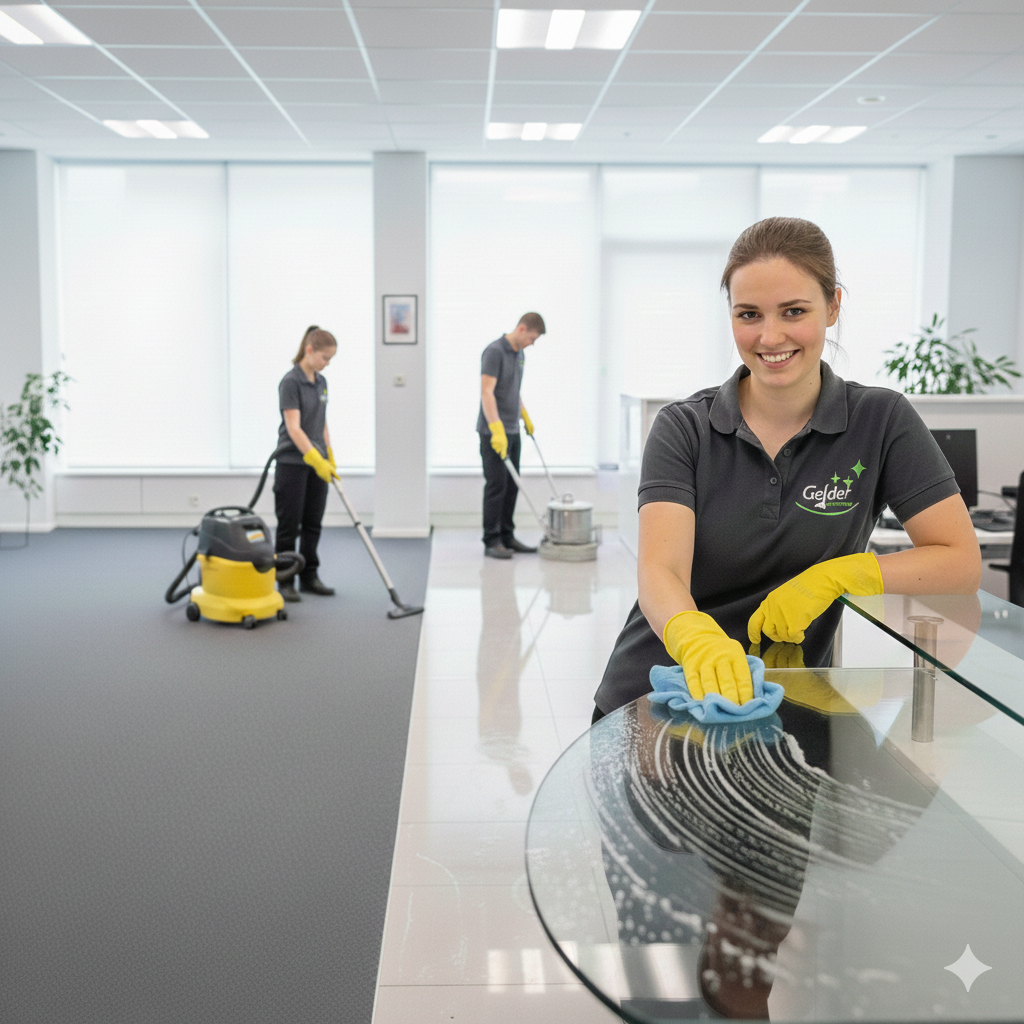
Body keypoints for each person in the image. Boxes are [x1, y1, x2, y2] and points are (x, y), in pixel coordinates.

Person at [593, 216, 981, 719]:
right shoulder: (684, 427)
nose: (770, 336)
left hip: (787, 701)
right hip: (660, 695)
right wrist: (694, 638)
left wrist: (841, 576)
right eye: (748, 314)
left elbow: (959, 561)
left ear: (833, 306)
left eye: (793, 311)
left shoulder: (880, 421)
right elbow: (660, 572)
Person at [274, 325, 339, 602]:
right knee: (290, 524)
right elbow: (294, 427)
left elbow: (320, 421)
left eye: (330, 360)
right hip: (292, 461)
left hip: (316, 463)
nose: (327, 364)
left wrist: (328, 455)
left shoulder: (321, 382)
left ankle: (309, 576)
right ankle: (285, 578)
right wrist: (313, 456)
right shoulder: (290, 382)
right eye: (325, 358)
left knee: (313, 522)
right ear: (309, 350)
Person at [477, 312, 546, 559]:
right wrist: (496, 429)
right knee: (497, 486)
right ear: (522, 328)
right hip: (494, 432)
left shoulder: (520, 355)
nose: (532, 343)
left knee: (512, 487)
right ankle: (491, 540)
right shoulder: (494, 352)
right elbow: (487, 392)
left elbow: (513, 390)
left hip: (513, 430)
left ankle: (507, 536)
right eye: (532, 337)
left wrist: (524, 416)